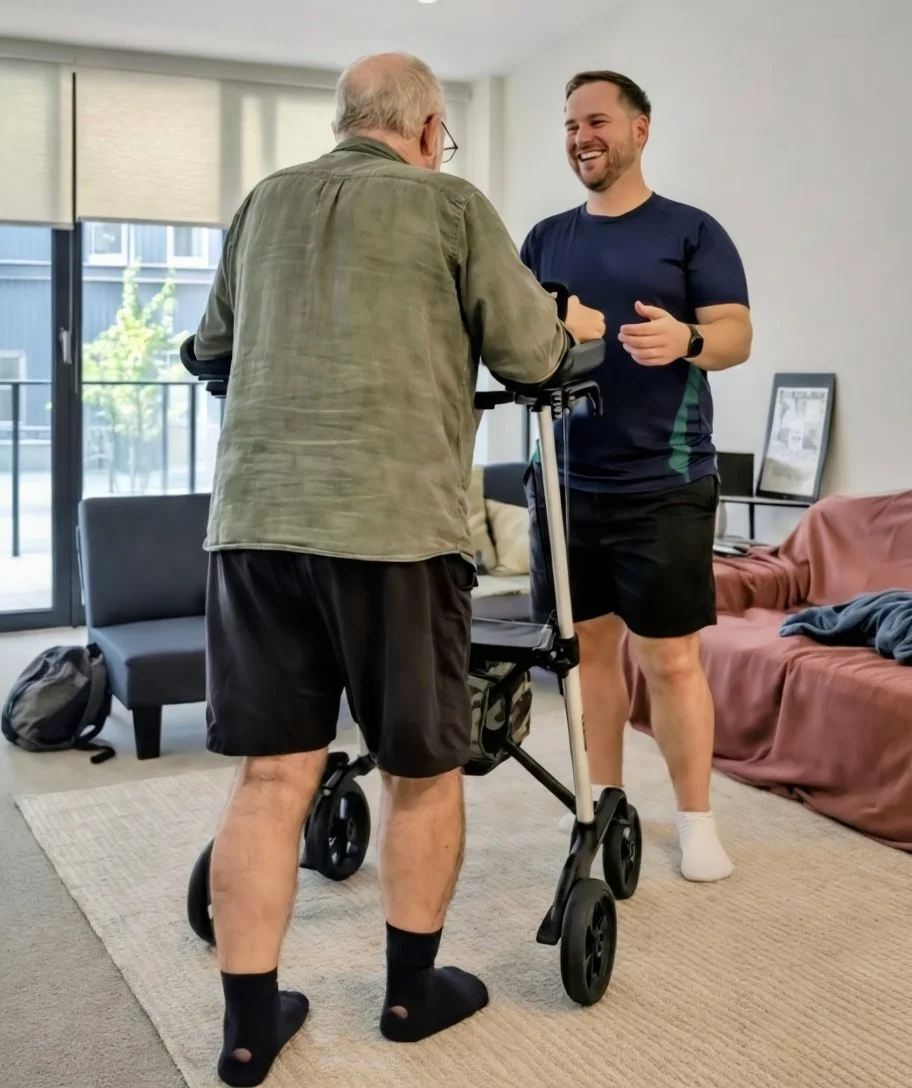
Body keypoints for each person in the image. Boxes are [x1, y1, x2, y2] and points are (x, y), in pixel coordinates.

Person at [190, 52, 606, 1087]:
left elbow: (211, 352)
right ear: (426, 132)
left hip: (257, 525)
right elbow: (530, 353)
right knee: (422, 772)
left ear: (345, 124)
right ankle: (412, 993)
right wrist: (574, 332)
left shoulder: (260, 204)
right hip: (395, 530)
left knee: (272, 774)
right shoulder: (450, 205)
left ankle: (248, 1028)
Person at [520, 70, 752, 884]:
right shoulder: (546, 238)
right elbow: (515, 337)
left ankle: (695, 821)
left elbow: (735, 333)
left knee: (671, 660)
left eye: (597, 121)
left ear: (640, 129)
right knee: (588, 654)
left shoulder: (690, 230)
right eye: (570, 124)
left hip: (664, 480)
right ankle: (602, 807)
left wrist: (685, 340)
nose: (581, 136)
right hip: (564, 480)